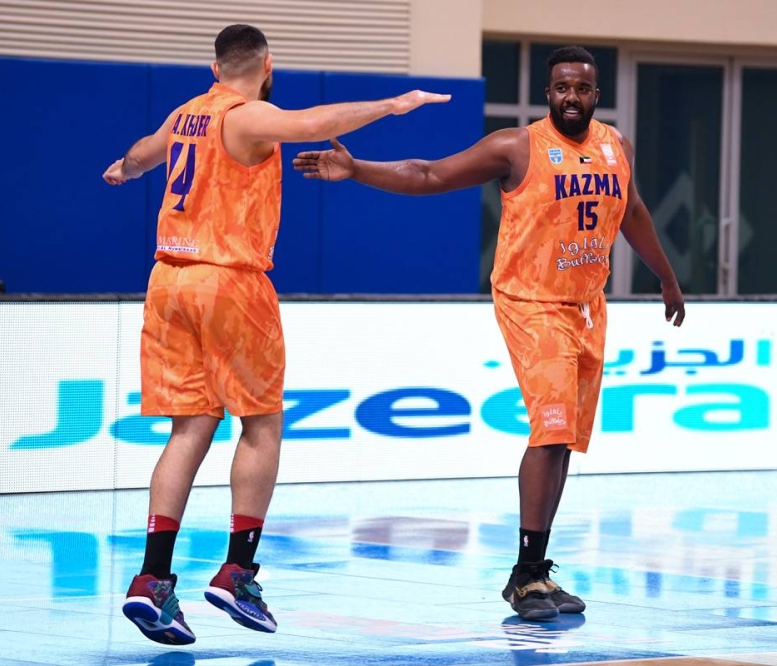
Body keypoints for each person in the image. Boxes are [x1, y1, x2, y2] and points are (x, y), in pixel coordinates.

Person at [293, 46, 686, 621]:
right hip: (531, 302)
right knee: (551, 431)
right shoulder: (516, 147)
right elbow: (429, 173)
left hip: (587, 306)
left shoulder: (616, 146)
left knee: (564, 441)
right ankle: (524, 577)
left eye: (581, 88)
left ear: (595, 95)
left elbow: (633, 213)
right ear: (547, 93)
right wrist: (359, 170)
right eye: (561, 87)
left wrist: (667, 278)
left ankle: (538, 570)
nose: (571, 96)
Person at [102, 23, 448, 645]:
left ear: (214, 68)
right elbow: (314, 123)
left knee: (189, 429)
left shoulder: (186, 114)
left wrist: (124, 170)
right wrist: (394, 105)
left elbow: (142, 153)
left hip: (168, 280)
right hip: (229, 280)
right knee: (261, 423)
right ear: (267, 66)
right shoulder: (248, 116)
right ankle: (237, 572)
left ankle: (152, 579)